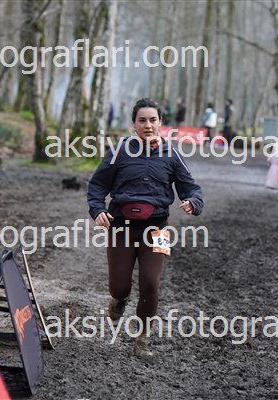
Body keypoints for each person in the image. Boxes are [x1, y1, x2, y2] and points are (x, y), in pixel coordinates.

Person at [87, 98, 203, 358]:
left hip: (156, 229)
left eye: (153, 120)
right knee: (120, 286)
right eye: (142, 120)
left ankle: (142, 338)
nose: (148, 125)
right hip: (121, 228)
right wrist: (98, 210)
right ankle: (119, 300)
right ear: (134, 123)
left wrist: (193, 202)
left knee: (151, 282)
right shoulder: (119, 152)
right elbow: (97, 186)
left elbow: (191, 188)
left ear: (161, 123)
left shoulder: (172, 154)